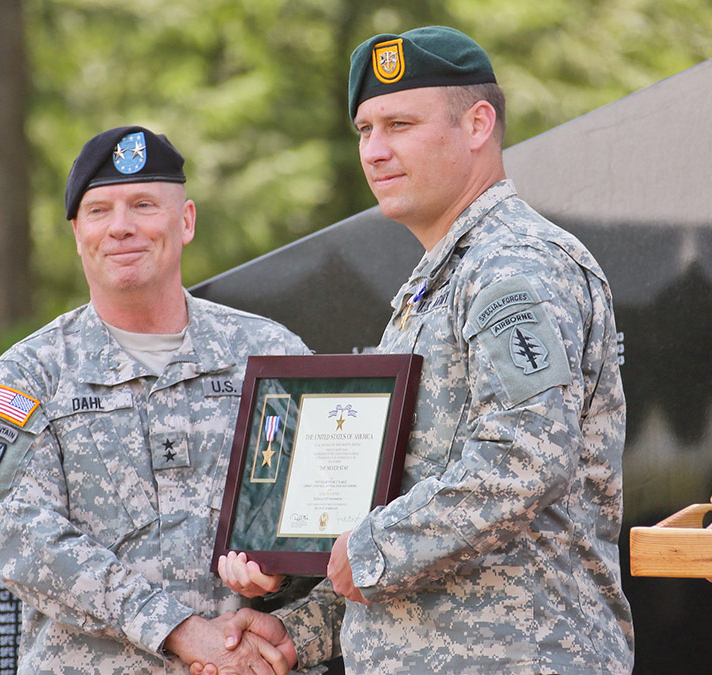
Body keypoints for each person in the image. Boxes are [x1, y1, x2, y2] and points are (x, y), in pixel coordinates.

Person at [209, 26, 635, 673]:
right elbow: (403, 513)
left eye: (399, 124)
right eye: (363, 130)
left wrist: (373, 547)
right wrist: (298, 629)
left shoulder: (513, 266)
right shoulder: (433, 284)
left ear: (476, 124)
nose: (375, 151)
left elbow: (525, 455)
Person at [0, 125, 310, 674]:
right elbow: (16, 536)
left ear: (186, 220)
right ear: (78, 233)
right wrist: (177, 629)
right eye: (99, 211)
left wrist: (280, 571)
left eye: (144, 204)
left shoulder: (271, 355)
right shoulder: (30, 375)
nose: (120, 228)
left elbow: (327, 510)